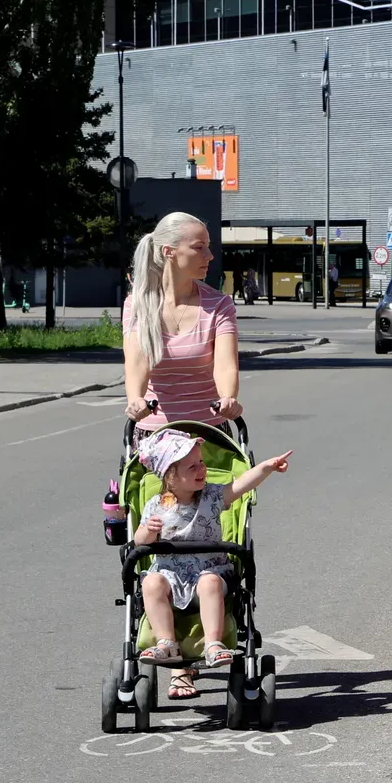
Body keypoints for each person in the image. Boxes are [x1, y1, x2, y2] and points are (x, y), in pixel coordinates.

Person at [132, 429, 291, 675]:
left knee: (209, 584)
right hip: (170, 574)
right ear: (169, 476)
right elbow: (140, 541)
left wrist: (266, 468)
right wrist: (148, 531)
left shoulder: (213, 496)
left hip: (209, 569)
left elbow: (240, 485)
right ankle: (166, 642)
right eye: (192, 467)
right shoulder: (156, 504)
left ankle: (213, 643)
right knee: (151, 583)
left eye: (201, 463)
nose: (201, 469)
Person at [123, 212, 242, 449]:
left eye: (208, 247)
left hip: (209, 432)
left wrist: (228, 397)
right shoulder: (138, 304)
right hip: (155, 437)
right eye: (199, 247)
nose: (209, 256)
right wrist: (135, 400)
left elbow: (226, 365)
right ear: (169, 252)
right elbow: (137, 363)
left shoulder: (219, 304)